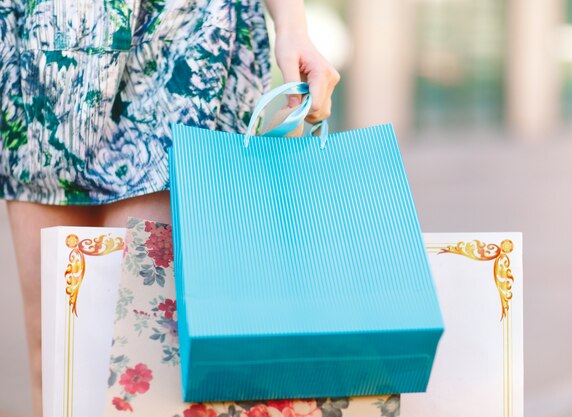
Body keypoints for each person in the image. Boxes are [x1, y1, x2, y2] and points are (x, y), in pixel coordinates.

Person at [0, 0, 340, 414]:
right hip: (48, 45)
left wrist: (292, 25)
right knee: (57, 372)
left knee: (150, 373)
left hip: (183, 39)